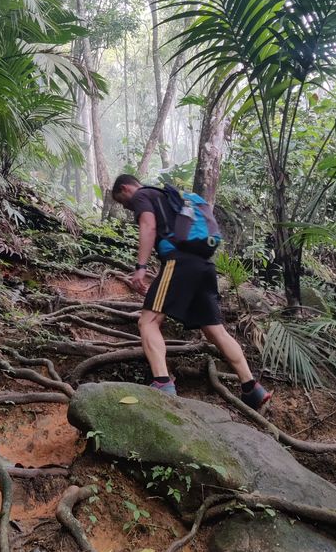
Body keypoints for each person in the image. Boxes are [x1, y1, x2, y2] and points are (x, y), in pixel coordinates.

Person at [111, 173, 272, 409]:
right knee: (215, 330)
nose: (127, 207)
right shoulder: (171, 198)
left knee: (148, 321)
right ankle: (252, 388)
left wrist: (141, 267)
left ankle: (162, 382)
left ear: (126, 189)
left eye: (123, 202)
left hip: (179, 262)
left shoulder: (143, 194)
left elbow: (148, 226)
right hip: (204, 266)